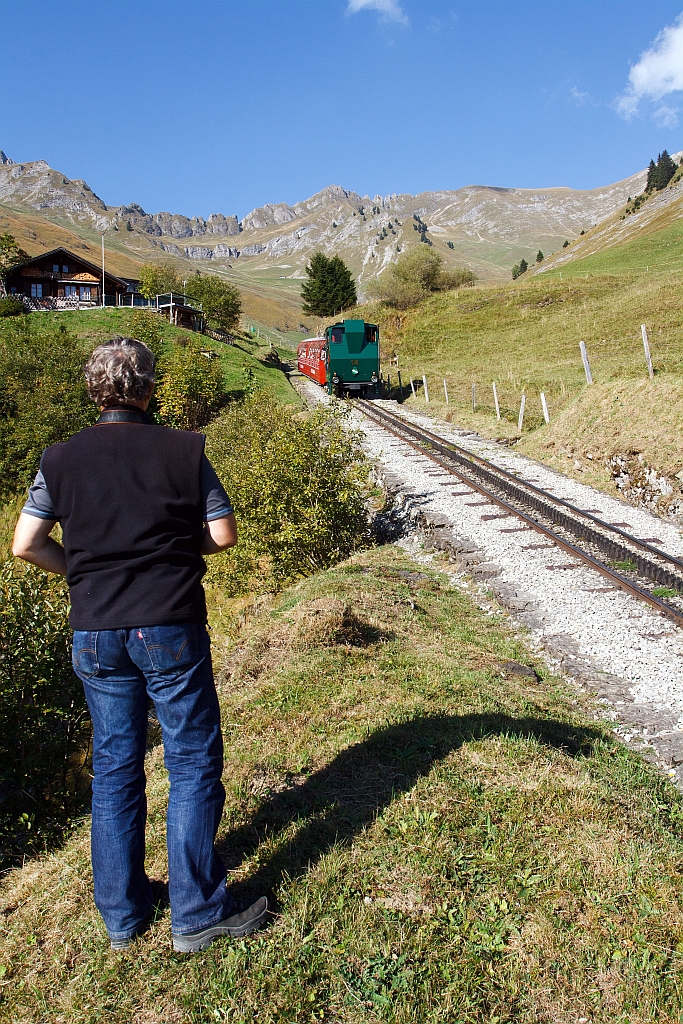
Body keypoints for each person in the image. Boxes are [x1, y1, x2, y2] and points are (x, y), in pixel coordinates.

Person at [12, 337, 268, 954]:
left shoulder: (60, 459)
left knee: (116, 769)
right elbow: (223, 534)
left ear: (94, 390)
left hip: (96, 632)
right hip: (169, 624)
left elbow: (25, 544)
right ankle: (196, 912)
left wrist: (83, 568)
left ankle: (124, 917)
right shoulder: (185, 450)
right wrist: (176, 555)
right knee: (191, 761)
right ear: (149, 388)